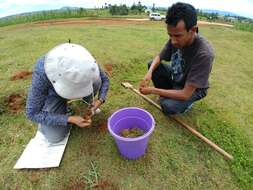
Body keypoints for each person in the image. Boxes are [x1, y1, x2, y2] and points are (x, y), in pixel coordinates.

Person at [139, 2, 214, 115]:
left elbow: (185, 94)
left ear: (193, 30)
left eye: (178, 36)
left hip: (193, 89)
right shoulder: (175, 37)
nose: (173, 41)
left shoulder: (204, 54)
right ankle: (170, 94)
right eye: (170, 35)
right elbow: (159, 57)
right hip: (178, 77)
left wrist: (153, 90)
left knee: (168, 107)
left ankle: (184, 104)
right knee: (153, 65)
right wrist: (149, 73)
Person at [26, 43, 109, 143]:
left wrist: (99, 101)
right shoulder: (42, 71)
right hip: (53, 95)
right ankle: (63, 109)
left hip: (72, 86)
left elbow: (104, 79)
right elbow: (32, 113)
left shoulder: (86, 61)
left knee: (97, 81)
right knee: (54, 137)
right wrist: (69, 119)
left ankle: (86, 103)